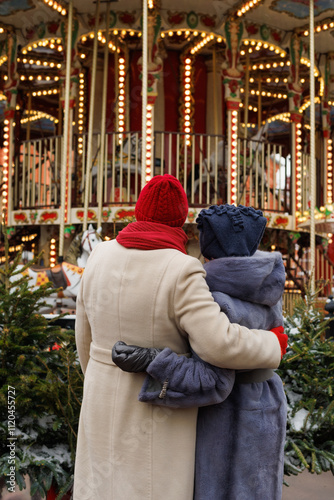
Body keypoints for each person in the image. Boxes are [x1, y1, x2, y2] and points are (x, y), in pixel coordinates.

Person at [74, 175, 286, 500]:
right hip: (158, 412)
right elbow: (219, 344)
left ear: (138, 210)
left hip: (100, 401)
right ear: (181, 219)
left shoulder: (99, 256)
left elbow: (83, 340)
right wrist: (272, 344)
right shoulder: (181, 270)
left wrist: (101, 378)